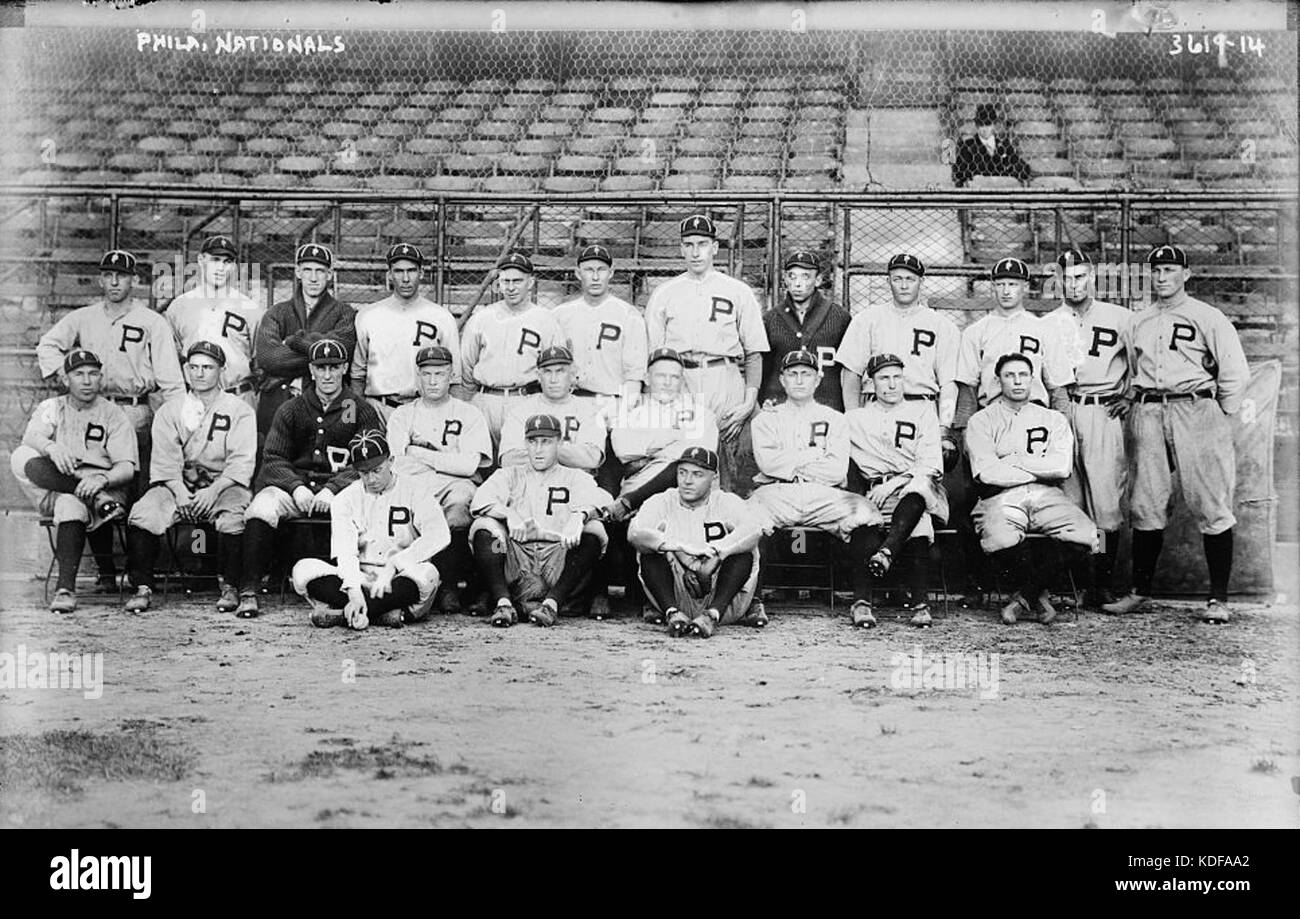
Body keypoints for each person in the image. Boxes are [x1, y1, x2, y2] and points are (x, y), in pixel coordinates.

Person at [1102, 245, 1250, 623]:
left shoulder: (1208, 316)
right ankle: (1141, 592)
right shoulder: (1139, 319)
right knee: (1145, 500)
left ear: (1186, 273)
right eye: (1156, 270)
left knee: (1210, 500)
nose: (1162, 277)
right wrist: (1135, 398)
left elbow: (1233, 371)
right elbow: (1135, 370)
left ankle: (1218, 598)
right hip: (1149, 409)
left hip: (1195, 406)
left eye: (1170, 269)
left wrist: (1222, 411)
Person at [35, 248, 184, 587]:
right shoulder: (84, 316)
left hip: (136, 410)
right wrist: (65, 371)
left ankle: (137, 574)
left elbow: (171, 381)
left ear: (134, 280)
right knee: (91, 482)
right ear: (101, 278)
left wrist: (175, 426)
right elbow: (47, 345)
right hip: (94, 408)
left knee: (135, 490)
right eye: (108, 274)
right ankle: (106, 572)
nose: (115, 280)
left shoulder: (151, 321)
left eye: (122, 275)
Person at [237, 338, 384, 618]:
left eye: (333, 367)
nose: (327, 375)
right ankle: (249, 590)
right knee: (261, 507)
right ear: (311, 370)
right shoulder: (292, 408)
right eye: (320, 367)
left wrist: (333, 488)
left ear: (344, 368)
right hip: (298, 490)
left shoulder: (360, 409)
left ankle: (352, 588)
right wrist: (296, 487)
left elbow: (369, 462)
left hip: (343, 491)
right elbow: (273, 458)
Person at [747, 350, 883, 623]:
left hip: (823, 493)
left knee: (866, 515)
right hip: (777, 490)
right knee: (748, 518)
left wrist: (792, 462)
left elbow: (836, 470)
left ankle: (861, 601)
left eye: (806, 374)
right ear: (782, 380)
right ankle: (753, 601)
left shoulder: (835, 418)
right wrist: (813, 457)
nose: (799, 380)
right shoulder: (765, 419)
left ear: (817, 380)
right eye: (792, 374)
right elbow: (768, 465)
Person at [122, 341, 256, 614]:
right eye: (193, 367)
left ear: (222, 370)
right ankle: (142, 587)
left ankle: (229, 586)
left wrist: (213, 491)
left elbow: (240, 462)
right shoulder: (171, 410)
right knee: (143, 512)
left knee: (234, 516)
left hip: (223, 483)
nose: (200, 373)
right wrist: (181, 492)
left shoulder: (239, 409)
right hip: (177, 483)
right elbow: (165, 462)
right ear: (185, 370)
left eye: (207, 367)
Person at [966, 353, 1098, 626]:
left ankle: (1024, 596)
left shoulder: (1053, 419)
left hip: (1046, 494)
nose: (1017, 381)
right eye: (1009, 375)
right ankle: (1037, 596)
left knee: (1088, 536)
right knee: (1000, 539)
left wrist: (1016, 461)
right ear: (998, 380)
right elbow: (986, 471)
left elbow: (1062, 468)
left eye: (1023, 375)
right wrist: (1038, 465)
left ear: (1032, 379)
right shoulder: (982, 420)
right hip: (1000, 495)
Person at [645, 214, 769, 493]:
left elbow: (754, 353)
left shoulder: (738, 291)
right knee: (687, 460)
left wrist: (750, 401)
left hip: (724, 376)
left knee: (734, 462)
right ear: (681, 249)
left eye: (702, 243)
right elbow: (653, 358)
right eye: (688, 244)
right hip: (682, 380)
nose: (695, 251)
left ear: (714, 247)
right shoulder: (665, 293)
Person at [9, 349, 137, 613]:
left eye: (93, 373)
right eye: (79, 374)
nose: (87, 380)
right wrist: (51, 448)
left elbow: (126, 468)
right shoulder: (53, 407)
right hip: (67, 485)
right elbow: (31, 439)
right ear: (66, 379)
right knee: (21, 456)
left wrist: (101, 480)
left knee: (71, 504)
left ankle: (65, 589)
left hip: (106, 487)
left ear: (101, 377)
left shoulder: (114, 414)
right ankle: (88, 496)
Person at [1043, 249, 1132, 607]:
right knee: (1069, 498)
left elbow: (1143, 363)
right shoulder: (1048, 322)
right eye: (1066, 278)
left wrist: (1132, 394)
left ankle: (1102, 584)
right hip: (1062, 409)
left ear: (1092, 275)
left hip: (1102, 410)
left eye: (1080, 277)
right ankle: (1073, 585)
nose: (1073, 284)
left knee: (1106, 501)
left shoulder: (1120, 317)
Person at [292, 431, 450, 630]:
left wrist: (395, 564)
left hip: (399, 576)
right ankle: (381, 614)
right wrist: (354, 593)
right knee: (302, 570)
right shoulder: (345, 499)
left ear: (391, 461)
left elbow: (439, 535)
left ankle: (344, 614)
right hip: (360, 575)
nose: (371, 479)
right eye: (364, 473)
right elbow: (345, 552)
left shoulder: (415, 489)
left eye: (377, 470)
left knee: (428, 574)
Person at [468, 414, 613, 627]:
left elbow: (605, 501)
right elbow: (480, 501)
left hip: (558, 557)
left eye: (546, 442)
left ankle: (552, 604)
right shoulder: (509, 474)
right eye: (533, 441)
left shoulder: (574, 476)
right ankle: (503, 602)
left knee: (593, 531)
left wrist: (579, 516)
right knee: (485, 531)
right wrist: (509, 514)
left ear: (559, 442)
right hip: (515, 556)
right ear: (525, 443)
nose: (538, 449)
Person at [845, 353, 950, 628]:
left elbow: (930, 465)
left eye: (896, 377)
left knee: (917, 505)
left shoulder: (923, 411)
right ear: (871, 383)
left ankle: (917, 600)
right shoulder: (855, 419)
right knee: (862, 518)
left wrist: (894, 483)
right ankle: (862, 603)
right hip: (875, 491)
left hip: (918, 490)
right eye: (883, 378)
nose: (891, 384)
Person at [386, 344, 493, 613]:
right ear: (418, 376)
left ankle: (448, 586)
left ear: (451, 375)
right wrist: (447, 462)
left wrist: (421, 453)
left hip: (455, 485)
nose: (433, 381)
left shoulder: (468, 413)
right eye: (427, 374)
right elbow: (396, 463)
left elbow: (469, 465)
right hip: (415, 484)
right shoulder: (402, 414)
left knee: (458, 505)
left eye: (440, 374)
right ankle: (413, 582)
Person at [627, 446, 764, 638]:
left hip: (722, 595)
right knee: (649, 551)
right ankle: (672, 613)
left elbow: (753, 529)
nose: (687, 481)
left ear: (713, 478)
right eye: (682, 473)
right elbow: (635, 532)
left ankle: (711, 616)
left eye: (697, 474)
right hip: (675, 591)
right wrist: (677, 545)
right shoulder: (663, 500)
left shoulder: (726, 501)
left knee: (745, 551)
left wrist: (718, 553)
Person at [553, 243, 648, 498]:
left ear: (611, 272)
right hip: (574, 402)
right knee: (572, 476)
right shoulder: (560, 315)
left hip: (611, 402)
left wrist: (622, 413)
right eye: (588, 269)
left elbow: (634, 375)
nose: (595, 276)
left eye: (601, 270)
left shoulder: (628, 314)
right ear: (577, 273)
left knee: (608, 481)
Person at [836, 253, 960, 448]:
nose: (904, 286)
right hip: (875, 407)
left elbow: (948, 382)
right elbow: (851, 373)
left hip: (921, 405)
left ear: (922, 281)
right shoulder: (867, 320)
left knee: (924, 472)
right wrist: (853, 417)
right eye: (897, 279)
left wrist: (944, 427)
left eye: (910, 279)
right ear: (888, 281)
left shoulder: (942, 326)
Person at [459, 251, 564, 448]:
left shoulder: (545, 319)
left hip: (526, 398)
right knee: (480, 464)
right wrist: (472, 400)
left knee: (520, 462)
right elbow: (466, 366)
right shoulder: (482, 318)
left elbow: (557, 369)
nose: (511, 287)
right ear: (499, 283)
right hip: (485, 399)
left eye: (517, 281)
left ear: (530, 283)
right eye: (506, 281)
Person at [351, 242, 463, 422]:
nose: (405, 278)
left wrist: (454, 418)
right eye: (398, 271)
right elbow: (357, 374)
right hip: (379, 407)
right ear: (389, 274)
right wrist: (357, 415)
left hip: (424, 408)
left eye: (411, 270)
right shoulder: (368, 315)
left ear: (421, 273)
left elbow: (455, 378)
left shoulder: (441, 317)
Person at [253, 243, 357, 436]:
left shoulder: (345, 312)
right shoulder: (277, 312)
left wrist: (295, 341)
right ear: (298, 272)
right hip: (279, 399)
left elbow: (344, 350)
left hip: (325, 402)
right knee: (274, 456)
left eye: (320, 271)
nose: (314, 277)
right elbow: (269, 358)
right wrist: (322, 354)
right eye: (307, 270)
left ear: (330, 274)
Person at [164, 234, 264, 409]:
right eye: (215, 260)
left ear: (234, 266)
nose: (221, 267)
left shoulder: (250, 309)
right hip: (194, 399)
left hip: (237, 395)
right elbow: (171, 362)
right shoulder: (179, 306)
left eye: (227, 261)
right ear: (201, 260)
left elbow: (260, 362)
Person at [760, 249, 850, 411]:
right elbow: (763, 369)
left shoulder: (839, 317)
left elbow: (849, 371)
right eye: (792, 276)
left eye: (805, 276)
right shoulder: (771, 319)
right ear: (785, 279)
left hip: (827, 404)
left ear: (818, 280)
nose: (798, 283)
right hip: (780, 406)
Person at [497, 346, 606, 474]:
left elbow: (592, 457)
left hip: (575, 483)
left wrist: (539, 453)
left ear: (572, 374)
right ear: (538, 376)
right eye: (548, 372)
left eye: (560, 371)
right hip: (530, 482)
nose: (553, 379)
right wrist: (565, 455)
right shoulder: (521, 410)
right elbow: (508, 459)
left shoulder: (588, 410)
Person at [952, 103, 1032, 187]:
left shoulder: (1004, 145)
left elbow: (1023, 168)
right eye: (981, 125)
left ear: (994, 125)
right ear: (976, 126)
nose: (984, 129)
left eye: (988, 124)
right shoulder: (967, 146)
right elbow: (959, 172)